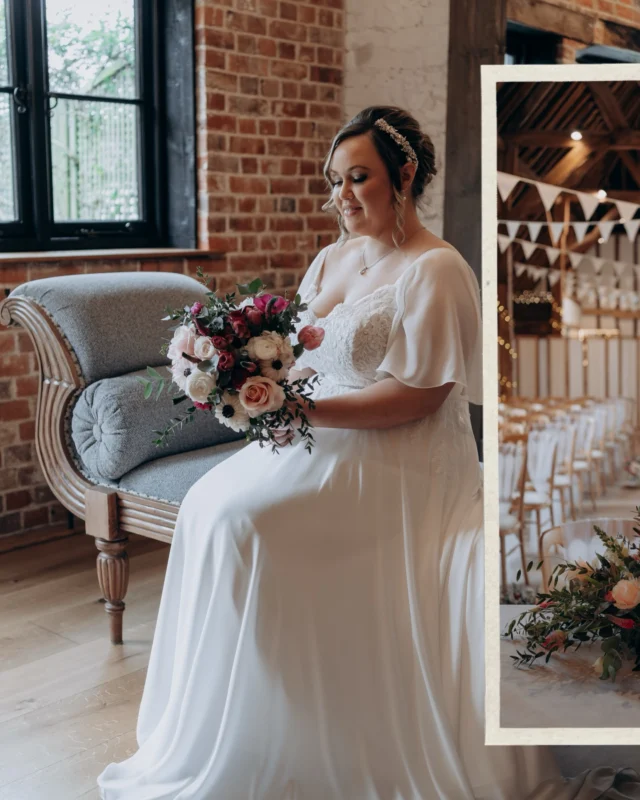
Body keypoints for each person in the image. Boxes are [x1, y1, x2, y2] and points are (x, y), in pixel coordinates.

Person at [97, 105, 561, 799]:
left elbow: (421, 395)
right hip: (310, 438)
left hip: (392, 456)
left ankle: (291, 735)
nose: (340, 195)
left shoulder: (436, 269)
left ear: (403, 175)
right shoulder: (333, 255)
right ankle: (240, 727)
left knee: (244, 526)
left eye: (358, 178)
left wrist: (302, 408)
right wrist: (248, 379)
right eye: (334, 180)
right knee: (207, 508)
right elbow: (302, 357)